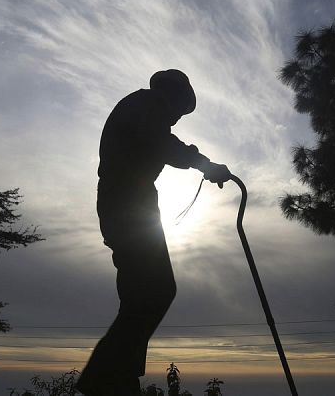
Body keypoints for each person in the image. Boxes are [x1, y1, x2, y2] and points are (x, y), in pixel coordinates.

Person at [76, 69, 231, 396]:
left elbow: (160, 143)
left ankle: (119, 378)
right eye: (179, 111)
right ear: (172, 96)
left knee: (138, 294)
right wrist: (202, 162)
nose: (175, 119)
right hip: (128, 204)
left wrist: (193, 157)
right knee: (159, 289)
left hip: (131, 203)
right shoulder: (148, 104)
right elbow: (162, 143)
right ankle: (105, 376)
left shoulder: (141, 106)